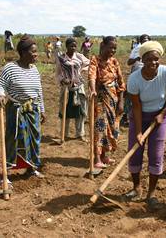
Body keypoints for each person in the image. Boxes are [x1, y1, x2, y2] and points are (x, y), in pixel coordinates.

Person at [124, 41, 166, 210]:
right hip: (139, 116)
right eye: (149, 59)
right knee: (135, 152)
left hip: (159, 117)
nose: (153, 63)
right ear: (142, 59)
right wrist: (139, 132)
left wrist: (162, 114)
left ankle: (151, 194)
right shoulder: (134, 79)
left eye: (156, 59)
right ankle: (136, 188)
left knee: (156, 154)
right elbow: (136, 106)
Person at [0, 35, 46, 180]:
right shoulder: (10, 68)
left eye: (37, 52)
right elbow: (0, 84)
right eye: (33, 52)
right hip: (16, 110)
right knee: (14, 139)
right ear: (23, 53)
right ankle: (6, 173)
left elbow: (39, 91)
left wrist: (42, 109)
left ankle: (31, 168)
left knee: (34, 139)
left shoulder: (34, 69)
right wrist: (0, 95)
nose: (36, 54)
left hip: (33, 110)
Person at [88, 36, 125, 169]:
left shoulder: (114, 62)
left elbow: (121, 83)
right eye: (111, 47)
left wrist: (121, 101)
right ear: (103, 46)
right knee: (100, 128)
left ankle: (105, 155)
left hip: (113, 101)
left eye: (115, 48)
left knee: (112, 129)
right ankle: (97, 158)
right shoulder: (95, 60)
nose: (113, 50)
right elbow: (91, 76)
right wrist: (93, 90)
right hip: (99, 99)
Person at [56, 38, 90, 141]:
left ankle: (80, 134)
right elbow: (57, 73)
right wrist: (62, 79)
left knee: (80, 112)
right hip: (67, 88)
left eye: (75, 46)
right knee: (65, 111)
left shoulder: (79, 57)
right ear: (66, 46)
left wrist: (81, 71)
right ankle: (64, 134)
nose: (73, 48)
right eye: (71, 46)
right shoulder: (61, 58)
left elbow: (90, 63)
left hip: (78, 88)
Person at [122, 34, 151, 126]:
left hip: (147, 76)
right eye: (143, 40)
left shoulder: (151, 50)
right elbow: (129, 62)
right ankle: (125, 116)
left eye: (146, 40)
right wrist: (137, 59)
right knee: (130, 95)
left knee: (144, 97)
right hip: (135, 74)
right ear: (140, 41)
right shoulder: (136, 50)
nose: (145, 42)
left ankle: (142, 117)